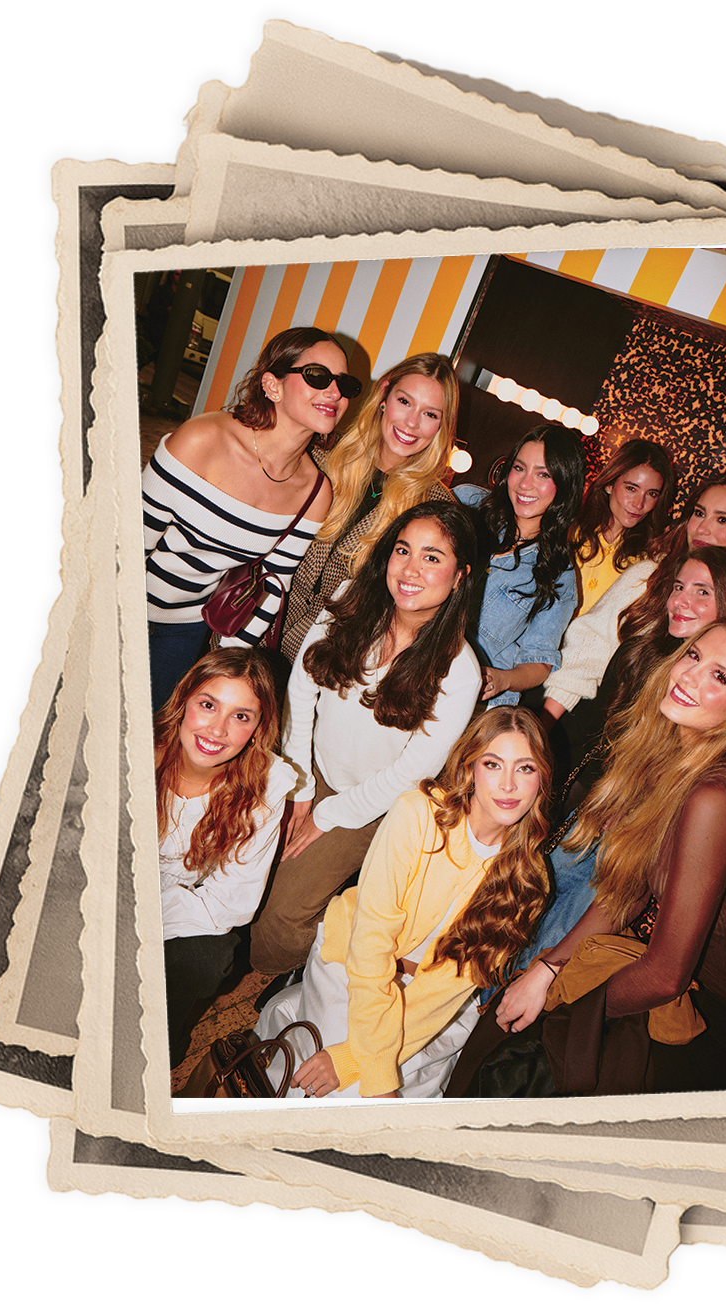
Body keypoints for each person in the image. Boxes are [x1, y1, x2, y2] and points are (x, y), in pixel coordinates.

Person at [447, 618, 726, 1098]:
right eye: (694, 655)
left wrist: (558, 998)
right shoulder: (670, 757)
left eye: (720, 676)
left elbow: (665, 976)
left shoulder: (718, 796)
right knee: (511, 1015)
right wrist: (548, 968)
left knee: (516, 1061)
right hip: (687, 995)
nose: (690, 676)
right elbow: (625, 890)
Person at [254, 708, 553, 1099]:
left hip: (426, 1004)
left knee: (372, 1084)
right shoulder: (418, 813)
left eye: (525, 768)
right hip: (353, 964)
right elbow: (371, 939)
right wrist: (369, 1065)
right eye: (493, 764)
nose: (509, 785)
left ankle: (291, 1010)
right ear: (469, 767)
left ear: (541, 779)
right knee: (341, 1093)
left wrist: (354, 1058)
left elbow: (448, 989)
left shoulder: (530, 879)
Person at [249, 500, 482, 979]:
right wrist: (299, 785)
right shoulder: (353, 599)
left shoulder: (460, 672)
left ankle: (339, 953)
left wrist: (325, 814)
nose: (410, 569)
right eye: (403, 550)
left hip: (373, 805)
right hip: (306, 765)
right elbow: (302, 687)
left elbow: (408, 775)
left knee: (277, 924)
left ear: (460, 576)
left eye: (432, 557)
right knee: (244, 866)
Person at [525, 547, 726, 968]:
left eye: (702, 592)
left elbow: (660, 953)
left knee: (553, 950)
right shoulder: (650, 652)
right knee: (526, 918)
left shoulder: (723, 762)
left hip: (631, 841)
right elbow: (600, 739)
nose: (681, 600)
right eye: (678, 586)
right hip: (598, 806)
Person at [143, 326, 352, 711]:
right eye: (318, 376)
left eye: (345, 383)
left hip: (185, 632)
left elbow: (273, 586)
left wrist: (226, 665)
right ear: (272, 385)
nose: (335, 392)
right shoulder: (203, 439)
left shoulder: (314, 491)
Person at [156, 647, 295, 1067]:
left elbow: (232, 902)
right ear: (184, 701)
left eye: (241, 716)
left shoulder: (265, 786)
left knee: (204, 959)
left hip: (177, 902)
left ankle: (163, 1040)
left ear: (257, 729)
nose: (217, 729)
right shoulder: (129, 751)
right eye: (208, 705)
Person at [540, 471, 726, 725]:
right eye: (699, 513)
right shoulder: (649, 576)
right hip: (594, 723)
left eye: (722, 520)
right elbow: (587, 650)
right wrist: (544, 725)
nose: (702, 529)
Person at [279, 353, 459, 663]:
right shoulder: (320, 455)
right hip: (252, 622)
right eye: (405, 402)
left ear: (442, 425)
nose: (412, 422)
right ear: (384, 397)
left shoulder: (435, 508)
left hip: (331, 657)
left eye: (430, 414)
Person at [454, 424, 586, 706]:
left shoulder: (558, 572)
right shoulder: (466, 503)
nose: (525, 484)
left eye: (543, 474)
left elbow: (539, 661)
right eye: (519, 468)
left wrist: (502, 679)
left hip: (472, 699)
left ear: (565, 484)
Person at [569, 439, 674, 616]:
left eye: (651, 494)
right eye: (631, 488)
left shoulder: (650, 560)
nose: (639, 504)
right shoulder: (569, 530)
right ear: (610, 484)